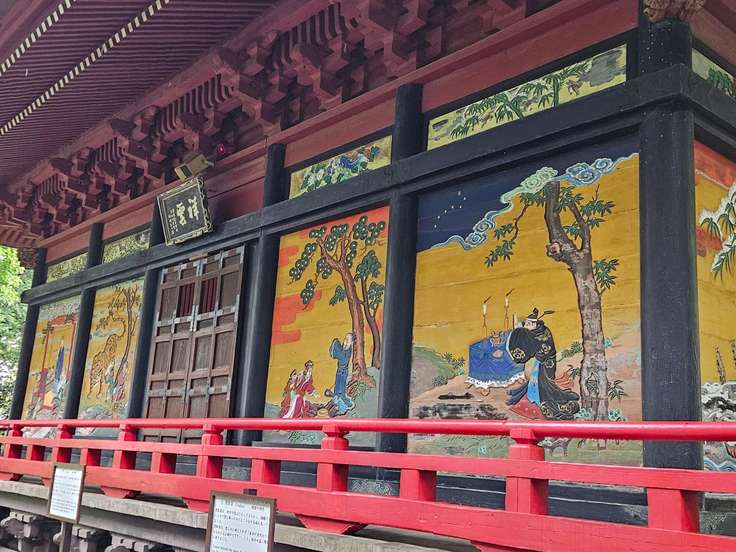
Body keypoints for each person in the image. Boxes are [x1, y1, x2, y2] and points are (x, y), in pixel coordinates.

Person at [506, 308, 580, 420]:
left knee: (545, 384)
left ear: (534, 324)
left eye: (528, 324)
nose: (526, 326)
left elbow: (532, 344)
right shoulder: (537, 331)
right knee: (540, 382)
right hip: (541, 362)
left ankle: (549, 407)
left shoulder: (542, 334)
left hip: (547, 362)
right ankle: (546, 399)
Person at [326, 333, 355, 415]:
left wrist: (336, 344)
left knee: (341, 392)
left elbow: (343, 359)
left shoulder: (348, 351)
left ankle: (346, 406)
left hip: (343, 373)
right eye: (345, 338)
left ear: (351, 342)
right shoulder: (344, 348)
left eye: (348, 339)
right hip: (339, 372)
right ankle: (339, 405)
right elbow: (338, 355)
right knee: (337, 390)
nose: (346, 341)